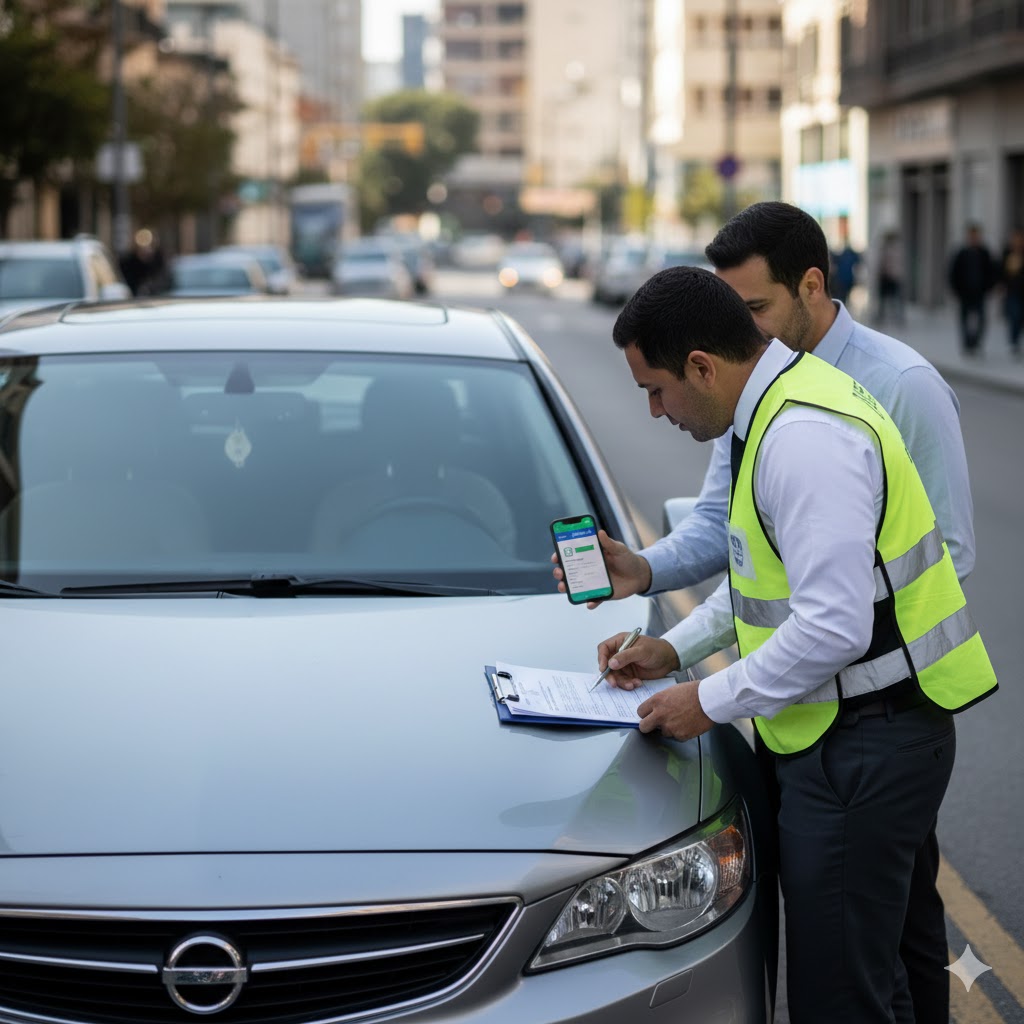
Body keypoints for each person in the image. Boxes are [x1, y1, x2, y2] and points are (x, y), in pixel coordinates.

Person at [551, 200, 977, 1022]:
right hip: (835, 731)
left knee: (843, 996)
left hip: (869, 734)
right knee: (863, 973)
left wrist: (702, 700)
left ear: (704, 367)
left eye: (657, 389)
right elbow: (757, 584)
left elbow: (832, 626)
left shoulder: (803, 437)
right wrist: (671, 651)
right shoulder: (773, 411)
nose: (656, 412)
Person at [949, 223, 997, 355]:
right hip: (964, 293)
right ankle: (967, 343)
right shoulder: (962, 253)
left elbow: (992, 271)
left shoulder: (984, 253)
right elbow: (953, 272)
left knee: (981, 319)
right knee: (964, 319)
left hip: (980, 293)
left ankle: (976, 342)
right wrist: (956, 289)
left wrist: (989, 287)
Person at [999, 227, 1024, 357]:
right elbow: (1002, 272)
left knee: (1020, 318)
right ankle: (1013, 341)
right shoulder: (1007, 253)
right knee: (1014, 315)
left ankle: (1016, 339)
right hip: (1012, 291)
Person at [875, 228, 905, 326]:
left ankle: (897, 317)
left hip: (891, 277)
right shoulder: (893, 248)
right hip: (891, 277)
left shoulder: (890, 249)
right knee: (887, 300)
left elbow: (883, 264)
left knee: (893, 299)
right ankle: (890, 317)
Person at [829, 231, 861, 306]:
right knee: (842, 295)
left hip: (846, 278)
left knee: (844, 295)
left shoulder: (851, 254)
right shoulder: (840, 255)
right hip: (842, 278)